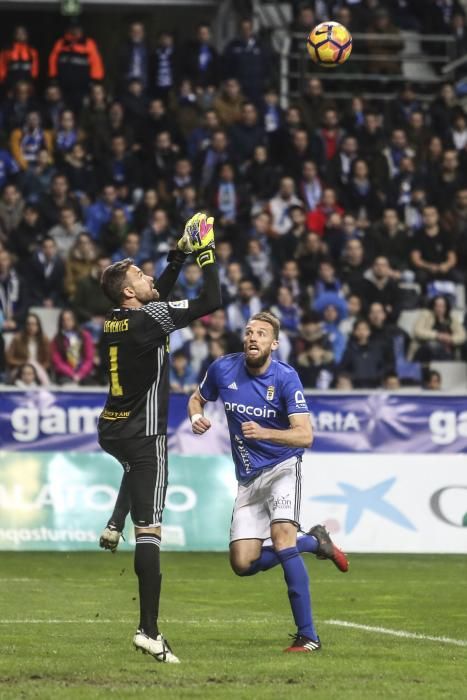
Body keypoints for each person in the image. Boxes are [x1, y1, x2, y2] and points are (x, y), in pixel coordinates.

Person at [97, 213, 221, 663]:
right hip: (144, 434)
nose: (150, 277)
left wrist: (176, 256)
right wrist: (205, 249)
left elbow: (157, 300)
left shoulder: (117, 319)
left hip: (112, 427)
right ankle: (148, 631)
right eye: (140, 274)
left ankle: (114, 523)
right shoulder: (146, 321)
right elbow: (213, 297)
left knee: (133, 478)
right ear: (129, 292)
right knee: (149, 531)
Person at [187, 311, 348, 653]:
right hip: (247, 478)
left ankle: (308, 636)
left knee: (281, 538)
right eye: (248, 332)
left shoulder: (286, 378)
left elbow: (305, 436)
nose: (252, 337)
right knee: (242, 564)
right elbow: (197, 398)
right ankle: (315, 542)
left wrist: (266, 433)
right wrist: (197, 416)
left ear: (274, 343)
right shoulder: (222, 369)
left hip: (282, 468)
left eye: (261, 333)